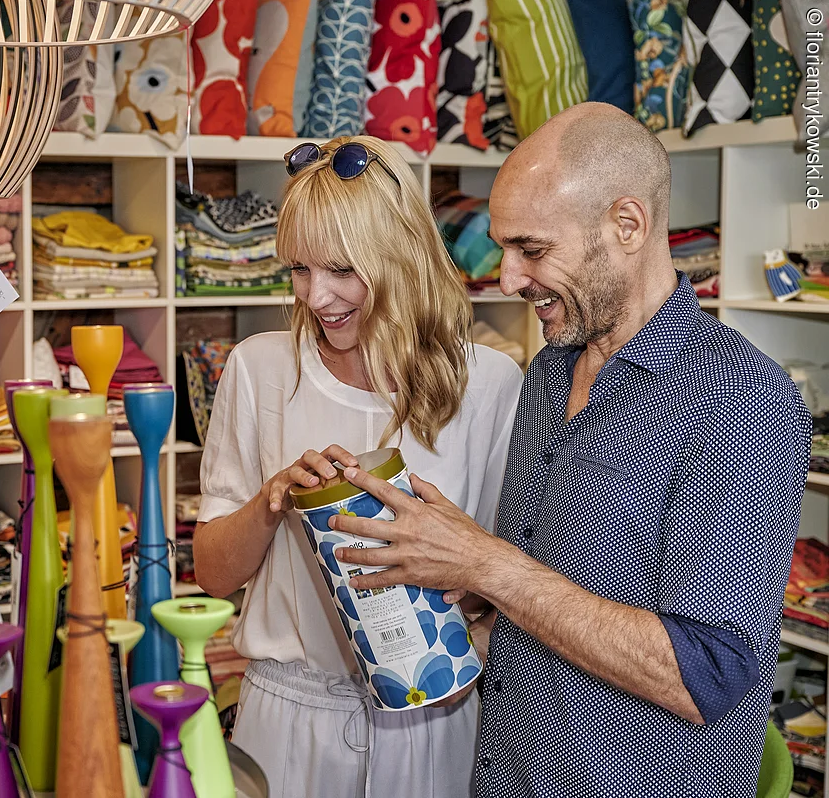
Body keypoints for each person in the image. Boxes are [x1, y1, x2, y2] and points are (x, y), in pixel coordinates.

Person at [333, 103, 813, 798]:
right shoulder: (548, 373)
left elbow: (703, 673)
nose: (506, 278)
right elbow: (534, 605)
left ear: (627, 226)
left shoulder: (740, 401)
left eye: (532, 249)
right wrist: (449, 577)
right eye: (504, 248)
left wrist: (485, 562)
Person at [193, 135, 523, 797]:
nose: (317, 297)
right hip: (287, 720)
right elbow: (212, 572)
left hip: (434, 719)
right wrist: (273, 501)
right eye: (300, 270)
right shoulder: (259, 370)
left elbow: (506, 579)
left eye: (342, 269)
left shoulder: (488, 383)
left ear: (399, 254)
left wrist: (454, 556)